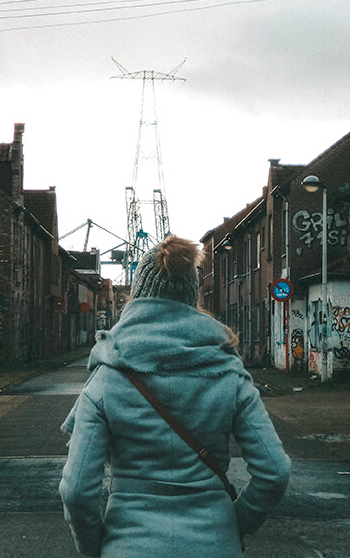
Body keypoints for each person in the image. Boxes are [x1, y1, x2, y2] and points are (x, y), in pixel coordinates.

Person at [59, 235, 290, 557]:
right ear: (192, 297)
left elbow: (77, 491)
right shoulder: (229, 374)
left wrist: (95, 548)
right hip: (215, 545)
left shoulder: (105, 380)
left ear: (138, 297)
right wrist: (234, 523)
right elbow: (275, 472)